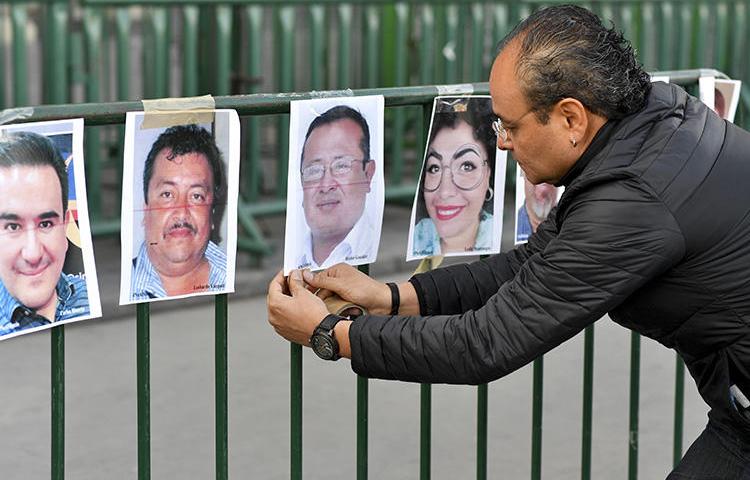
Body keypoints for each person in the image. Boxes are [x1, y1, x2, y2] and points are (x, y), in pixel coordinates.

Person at [268, 5, 750, 477]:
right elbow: (533, 264)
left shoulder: (631, 201)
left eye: (511, 125)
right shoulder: (652, 118)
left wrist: (331, 334)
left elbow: (485, 342)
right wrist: (392, 298)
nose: (501, 141)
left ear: (571, 119)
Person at [0, 131, 89, 335]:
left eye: (46, 224)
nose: (33, 253)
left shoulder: (88, 296)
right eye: (13, 227)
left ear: (66, 226)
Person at [131, 124, 227, 300]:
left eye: (196, 196)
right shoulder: (122, 286)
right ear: (146, 210)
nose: (182, 213)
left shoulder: (230, 276)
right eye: (167, 195)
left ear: (212, 213)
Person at [295, 105, 377, 270]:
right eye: (314, 170)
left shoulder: (377, 252)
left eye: (341, 166)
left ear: (368, 174)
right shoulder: (294, 258)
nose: (326, 186)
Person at [412, 98, 496, 256]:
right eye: (434, 168)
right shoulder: (419, 235)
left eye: (466, 166)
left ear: (488, 176)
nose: (445, 192)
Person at [515, 174, 558, 243]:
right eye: (535, 177)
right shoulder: (511, 227)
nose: (542, 190)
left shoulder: (571, 224)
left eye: (549, 179)